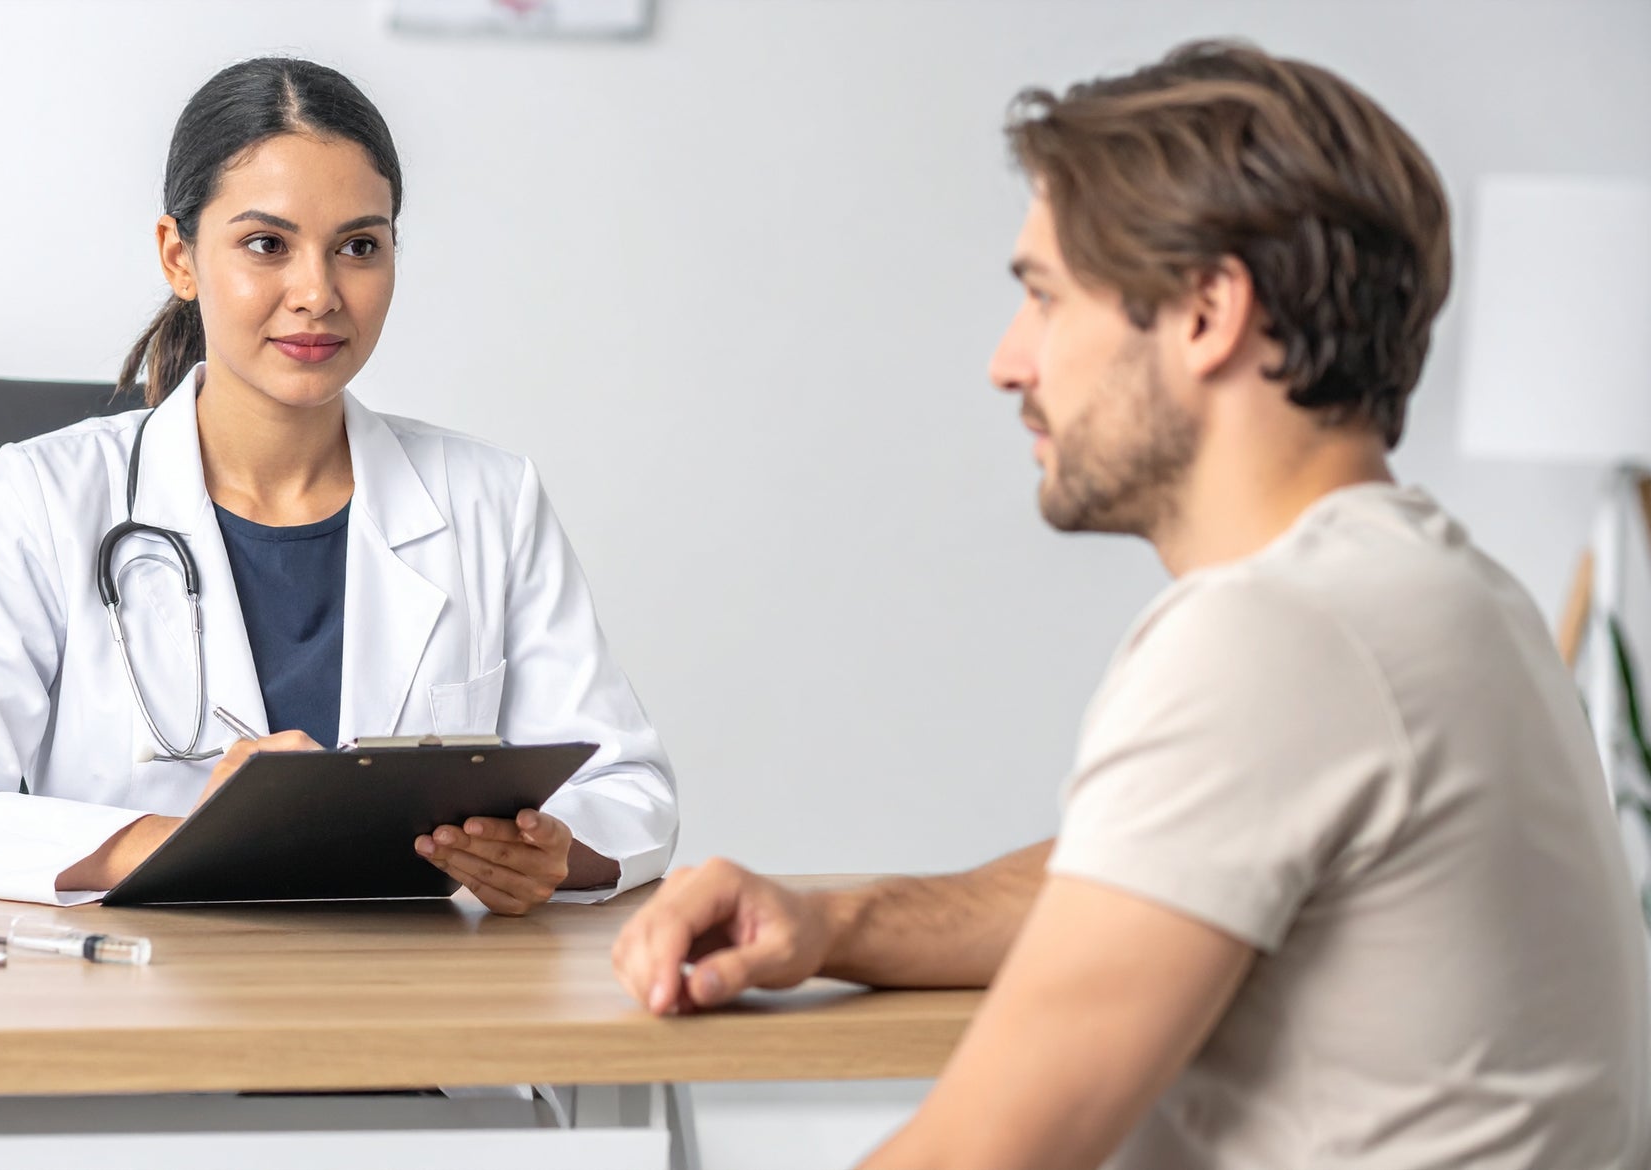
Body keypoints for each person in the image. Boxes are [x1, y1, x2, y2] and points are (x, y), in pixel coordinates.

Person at [612, 40, 1650, 1169]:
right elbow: (1139, 874)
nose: (1009, 364)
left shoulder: (1273, 638)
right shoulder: (1443, 596)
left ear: (1206, 311)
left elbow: (985, 1156)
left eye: (1045, 298)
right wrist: (834, 925)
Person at [0, 58, 676, 912]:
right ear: (180, 255)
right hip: (138, 1001)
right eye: (266, 245)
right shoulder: (49, 497)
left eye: (359, 246)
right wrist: (187, 843)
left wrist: (554, 853)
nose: (317, 294)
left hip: (412, 998)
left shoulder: (490, 501)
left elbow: (629, 785)